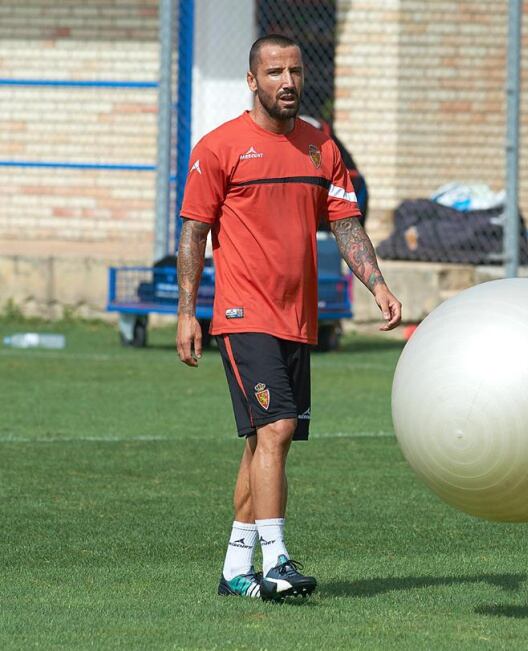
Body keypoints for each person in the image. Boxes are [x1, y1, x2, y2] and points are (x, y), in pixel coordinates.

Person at [175, 34, 402, 602]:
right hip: (242, 313)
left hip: (297, 320)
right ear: (252, 81)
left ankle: (234, 568)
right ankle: (276, 561)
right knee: (274, 429)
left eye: (296, 72)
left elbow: (347, 224)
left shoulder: (320, 148)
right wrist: (186, 313)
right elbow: (194, 233)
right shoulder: (218, 148)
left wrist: (376, 284)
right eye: (275, 72)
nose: (288, 82)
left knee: (264, 444)